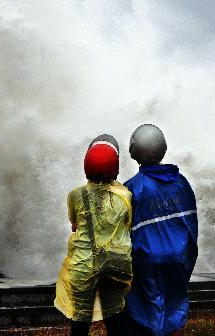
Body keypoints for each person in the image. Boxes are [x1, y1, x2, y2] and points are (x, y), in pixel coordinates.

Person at [121, 124, 198, 336]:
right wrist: (186, 256)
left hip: (147, 260)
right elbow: (191, 225)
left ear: (134, 151)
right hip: (178, 257)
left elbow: (123, 231)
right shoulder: (182, 183)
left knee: (148, 311)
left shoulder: (131, 187)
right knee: (175, 305)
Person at [54, 134, 133, 336]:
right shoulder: (125, 195)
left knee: (81, 317)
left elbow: (74, 224)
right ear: (115, 167)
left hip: (83, 264)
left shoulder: (74, 195)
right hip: (116, 262)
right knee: (115, 314)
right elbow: (128, 223)